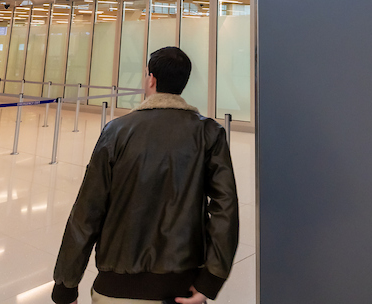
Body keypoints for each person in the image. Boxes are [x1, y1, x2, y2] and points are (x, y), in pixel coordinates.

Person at [52, 47, 238, 304]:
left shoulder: (116, 131)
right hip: (182, 286)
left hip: (116, 286)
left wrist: (65, 285)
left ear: (151, 79)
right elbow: (225, 208)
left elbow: (87, 211)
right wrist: (211, 280)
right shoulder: (208, 133)